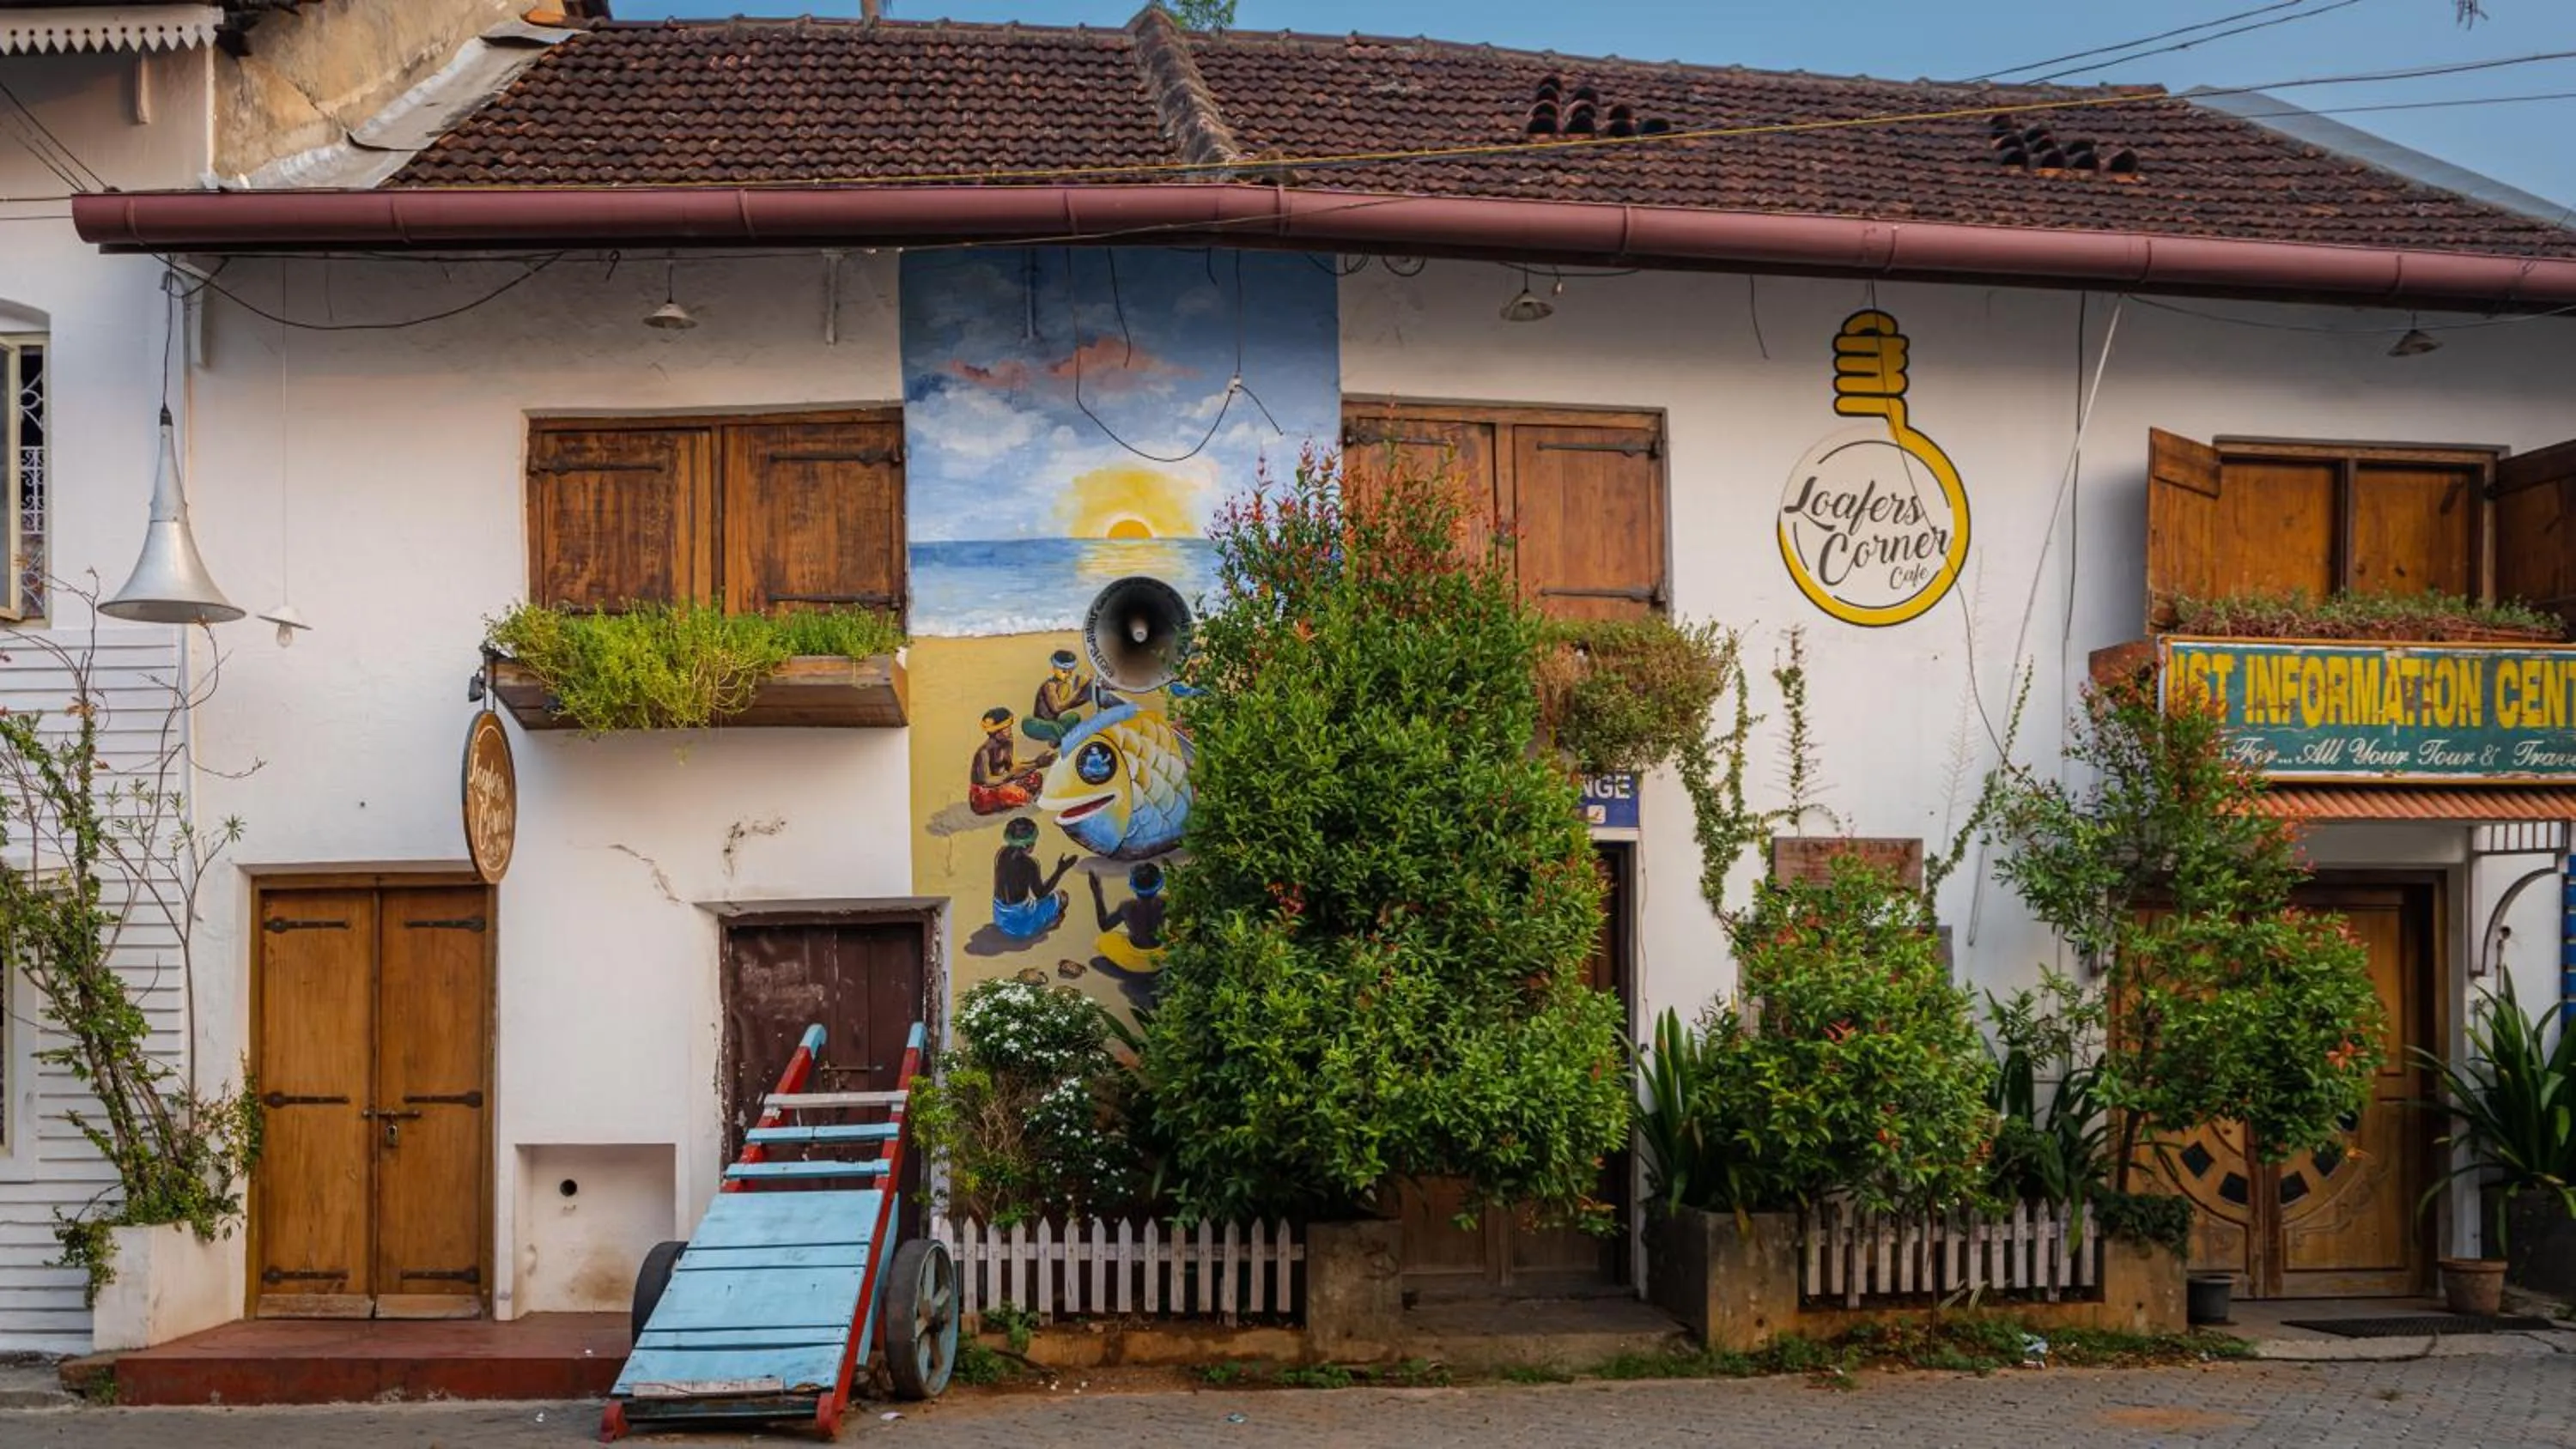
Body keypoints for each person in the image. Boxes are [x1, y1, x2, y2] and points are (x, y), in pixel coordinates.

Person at [990, 817, 1075, 939]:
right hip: (1020, 926)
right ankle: (1042, 924)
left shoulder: (1001, 854)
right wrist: (1060, 870)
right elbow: (1040, 894)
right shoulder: (1030, 864)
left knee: (1028, 905)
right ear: (1027, 844)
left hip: (999, 918)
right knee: (1062, 897)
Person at [969, 706, 1051, 814]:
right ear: (995, 732)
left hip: (1003, 783)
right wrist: (1010, 776)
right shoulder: (984, 752)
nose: (1009, 731)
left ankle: (1018, 795)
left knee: (1036, 777)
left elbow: (1011, 768)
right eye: (1005, 728)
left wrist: (1036, 763)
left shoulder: (1008, 743)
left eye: (1009, 727)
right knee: (1020, 795)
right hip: (984, 793)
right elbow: (987, 781)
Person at [1023, 649, 1091, 746]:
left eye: (1070, 672)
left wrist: (1086, 697)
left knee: (1074, 716)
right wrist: (1079, 689)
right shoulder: (1050, 685)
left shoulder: (1065, 685)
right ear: (1054, 668)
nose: (1068, 675)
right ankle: (1062, 738)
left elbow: (1068, 704)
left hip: (1053, 723)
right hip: (1039, 724)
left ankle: (1056, 739)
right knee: (1051, 726)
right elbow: (1057, 708)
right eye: (1064, 671)